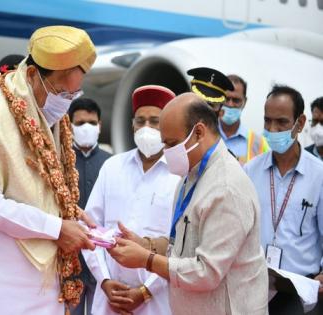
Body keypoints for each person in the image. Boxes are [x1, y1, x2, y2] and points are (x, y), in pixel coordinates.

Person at [0, 25, 98, 315]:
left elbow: (41, 193)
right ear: (34, 75)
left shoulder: (51, 121)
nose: (65, 103)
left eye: (73, 95)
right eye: (62, 92)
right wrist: (57, 228)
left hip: (38, 294)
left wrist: (71, 214)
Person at [108, 93, 269, 315]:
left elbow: (206, 272)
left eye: (171, 143)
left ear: (199, 132)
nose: (165, 151)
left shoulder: (226, 187)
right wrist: (147, 245)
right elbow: (184, 242)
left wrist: (146, 260)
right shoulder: (191, 175)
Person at [83, 85, 180, 315]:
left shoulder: (180, 176)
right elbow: (90, 228)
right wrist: (104, 280)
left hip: (158, 302)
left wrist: (146, 291)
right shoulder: (112, 167)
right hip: (110, 299)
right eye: (141, 120)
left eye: (155, 121)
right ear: (132, 124)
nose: (146, 128)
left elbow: (181, 247)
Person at [244, 85, 323, 315]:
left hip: (299, 293)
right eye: (267, 121)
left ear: (299, 123)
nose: (272, 129)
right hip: (255, 286)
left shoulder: (318, 175)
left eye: (281, 122)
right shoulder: (251, 170)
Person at [68, 98, 112, 315]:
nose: (87, 128)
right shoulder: (60, 162)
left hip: (102, 263)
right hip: (69, 263)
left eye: (92, 123)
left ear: (100, 126)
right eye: (81, 122)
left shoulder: (112, 163)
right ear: (69, 126)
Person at [219, 74, 269, 164]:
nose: (230, 104)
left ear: (245, 102)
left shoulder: (259, 144)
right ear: (218, 98)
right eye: (226, 99)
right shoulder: (203, 134)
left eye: (236, 100)